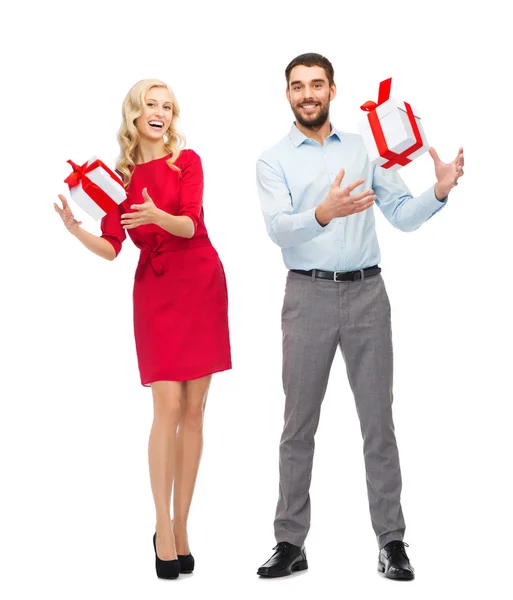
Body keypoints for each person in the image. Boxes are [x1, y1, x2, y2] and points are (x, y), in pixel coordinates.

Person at [255, 53, 464, 580]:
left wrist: (438, 191)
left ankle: (391, 541)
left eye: (316, 84)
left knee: (378, 422)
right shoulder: (273, 160)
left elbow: (399, 215)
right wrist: (324, 211)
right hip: (307, 298)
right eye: (298, 86)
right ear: (287, 94)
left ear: (331, 90)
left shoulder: (364, 148)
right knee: (298, 424)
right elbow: (280, 229)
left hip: (368, 294)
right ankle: (289, 541)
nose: (308, 94)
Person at [54, 79, 231, 580]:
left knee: (195, 410)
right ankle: (160, 525)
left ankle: (181, 527)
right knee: (167, 406)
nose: (160, 112)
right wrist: (78, 230)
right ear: (134, 114)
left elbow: (191, 224)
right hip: (156, 291)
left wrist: (159, 214)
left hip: (200, 279)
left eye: (168, 106)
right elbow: (113, 247)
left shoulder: (187, 161)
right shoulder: (117, 179)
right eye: (151, 105)